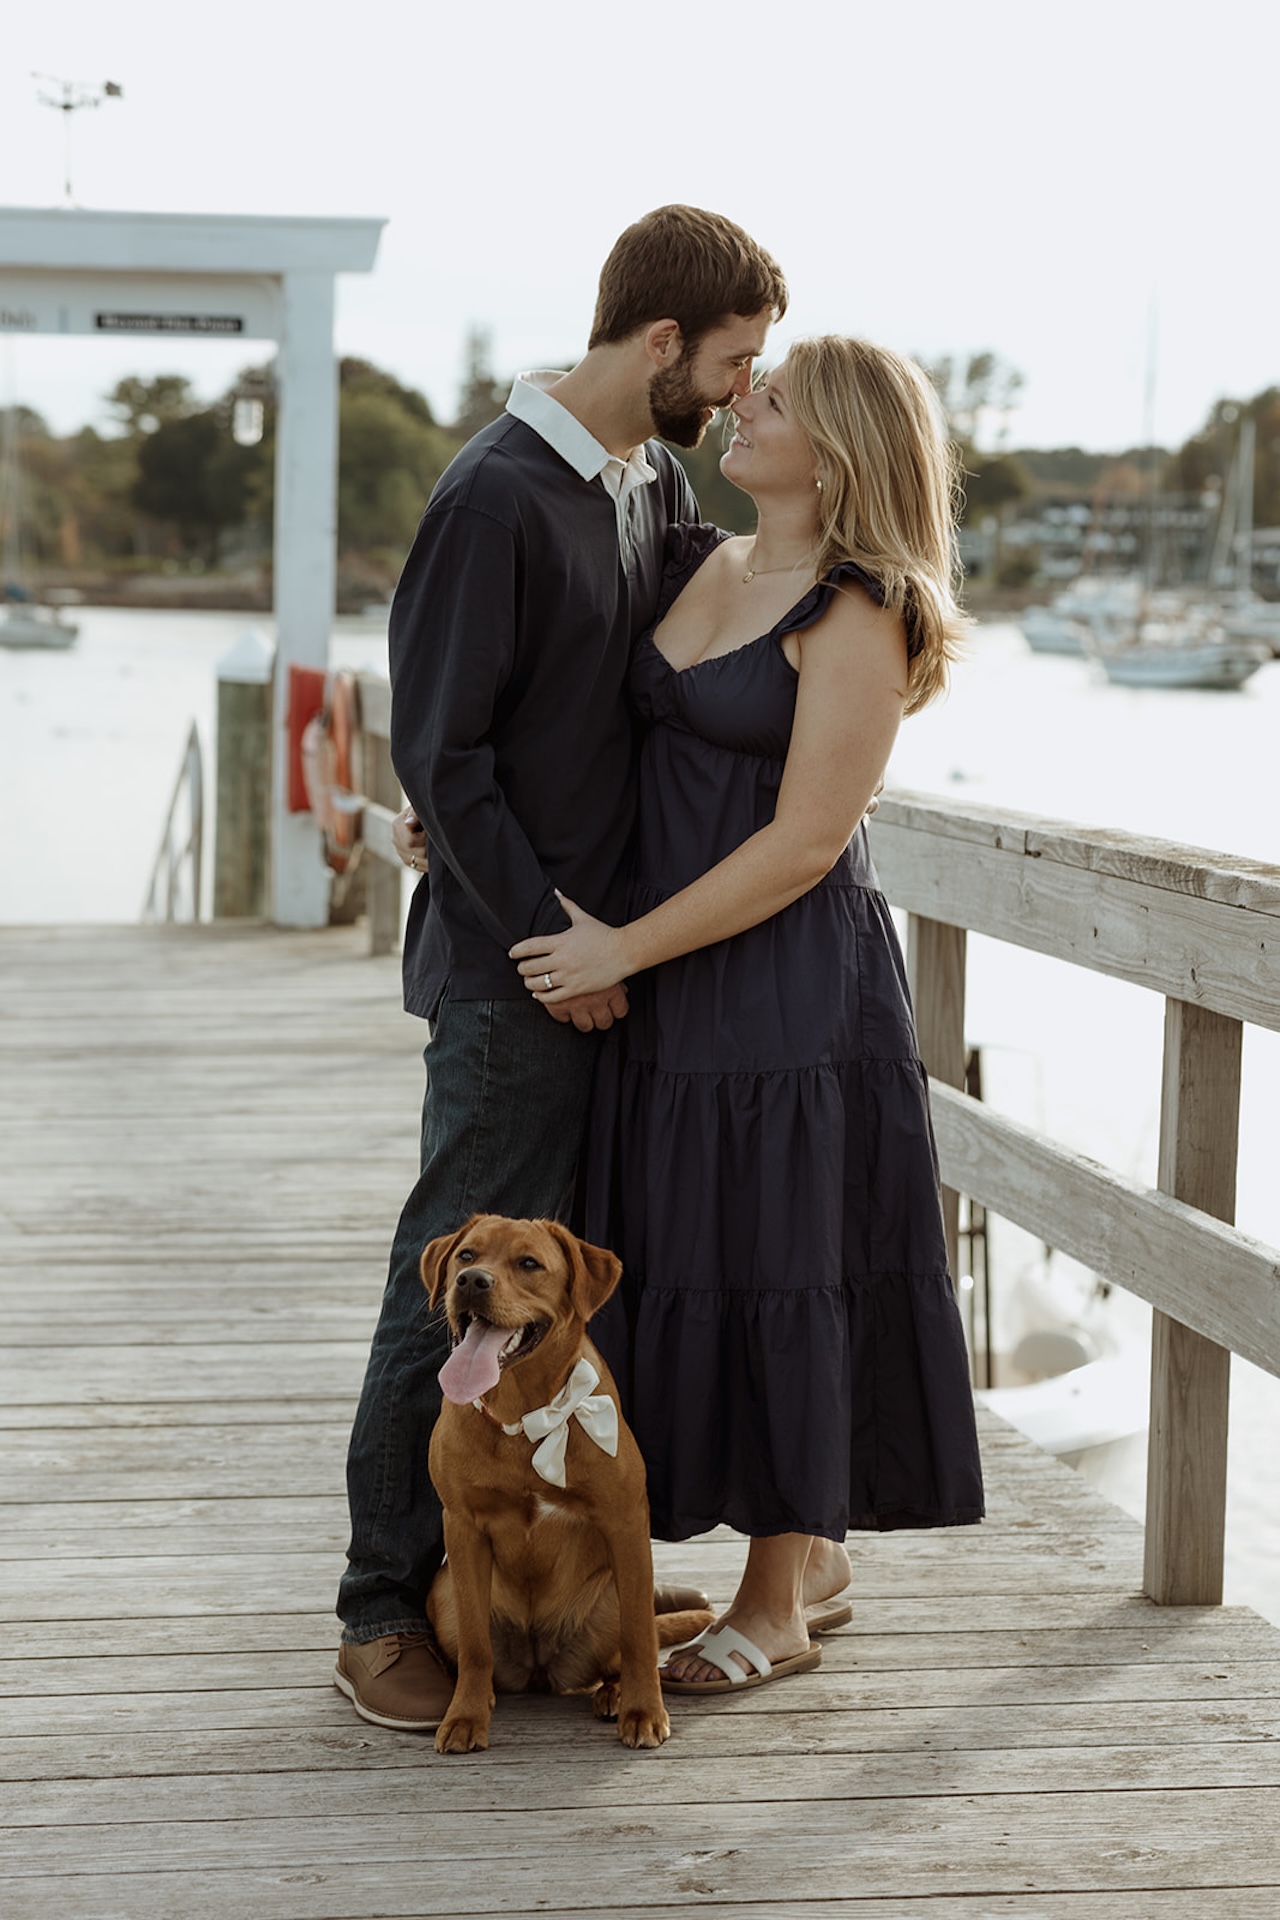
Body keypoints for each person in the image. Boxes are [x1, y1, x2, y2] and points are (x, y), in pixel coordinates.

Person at [334, 206, 789, 1732]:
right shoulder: (493, 498)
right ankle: (379, 1610)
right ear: (660, 344)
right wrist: (547, 947)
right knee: (452, 1293)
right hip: (517, 973)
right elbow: (441, 751)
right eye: (732, 363)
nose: (739, 394)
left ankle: (568, 1580)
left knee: (567, 1301)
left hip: (613, 963)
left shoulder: (646, 477)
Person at [509, 336, 985, 1692]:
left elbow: (807, 843)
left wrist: (621, 947)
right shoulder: (698, 556)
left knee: (786, 1261)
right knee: (680, 1251)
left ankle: (780, 1593)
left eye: (769, 398)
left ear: (834, 448)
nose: (739, 402)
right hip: (669, 979)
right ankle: (798, 1555)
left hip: (781, 989)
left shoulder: (861, 606)